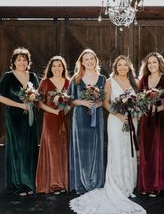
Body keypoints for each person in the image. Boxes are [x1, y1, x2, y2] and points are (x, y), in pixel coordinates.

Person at [69, 55, 146, 214]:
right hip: (116, 120)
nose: (123, 67)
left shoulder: (136, 82)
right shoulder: (110, 81)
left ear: (129, 67)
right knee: (118, 150)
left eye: (126, 65)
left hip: (131, 120)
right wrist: (119, 115)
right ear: (115, 67)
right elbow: (105, 102)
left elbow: (139, 101)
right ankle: (117, 185)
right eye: (120, 65)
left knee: (129, 150)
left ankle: (128, 184)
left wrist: (134, 114)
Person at [0, 47, 39, 196]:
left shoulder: (33, 76)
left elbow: (38, 95)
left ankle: (30, 181)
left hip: (29, 117)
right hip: (14, 117)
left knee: (29, 146)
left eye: (24, 59)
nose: (22, 62)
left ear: (28, 61)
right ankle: (18, 184)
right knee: (17, 147)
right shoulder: (8, 76)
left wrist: (33, 99)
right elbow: (1, 97)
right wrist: (20, 105)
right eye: (19, 60)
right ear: (14, 62)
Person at [69, 49, 105, 194]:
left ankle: (96, 181)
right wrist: (83, 102)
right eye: (86, 59)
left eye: (92, 58)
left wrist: (98, 104)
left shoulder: (102, 78)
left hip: (97, 116)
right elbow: (70, 100)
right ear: (82, 62)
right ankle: (82, 182)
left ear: (96, 60)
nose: (90, 61)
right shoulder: (76, 79)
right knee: (82, 148)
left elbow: (105, 100)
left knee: (96, 147)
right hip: (80, 118)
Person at [138, 52, 164, 197]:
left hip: (162, 119)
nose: (152, 65)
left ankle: (158, 185)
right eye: (149, 63)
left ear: (160, 63)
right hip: (147, 119)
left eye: (155, 62)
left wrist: (158, 108)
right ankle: (147, 183)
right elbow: (139, 98)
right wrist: (145, 106)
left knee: (160, 151)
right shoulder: (144, 79)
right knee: (147, 151)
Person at [36, 56, 70, 194]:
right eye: (54, 66)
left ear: (63, 68)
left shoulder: (69, 82)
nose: (57, 68)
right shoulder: (45, 82)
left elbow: (72, 101)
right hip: (50, 118)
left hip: (65, 119)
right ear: (50, 68)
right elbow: (39, 102)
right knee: (53, 149)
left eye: (59, 66)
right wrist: (54, 111)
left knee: (64, 148)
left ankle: (63, 181)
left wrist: (65, 109)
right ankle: (54, 184)